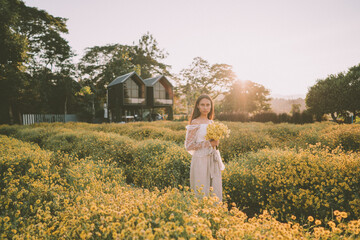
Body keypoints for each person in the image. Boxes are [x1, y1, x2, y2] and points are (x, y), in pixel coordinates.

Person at [185, 94, 224, 202]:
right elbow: (189, 146)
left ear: (211, 106)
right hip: (200, 159)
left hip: (212, 159)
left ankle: (214, 215)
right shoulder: (195, 122)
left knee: (214, 189)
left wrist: (216, 142)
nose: (205, 107)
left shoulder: (211, 122)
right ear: (198, 106)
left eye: (208, 105)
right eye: (202, 105)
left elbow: (214, 143)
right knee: (201, 187)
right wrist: (208, 143)